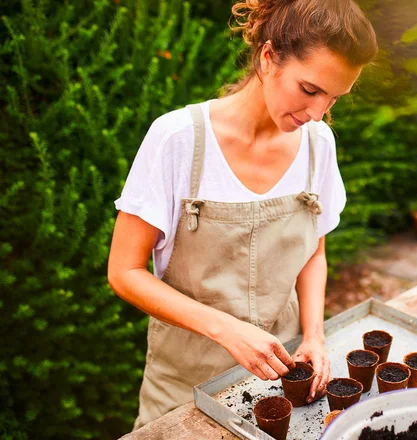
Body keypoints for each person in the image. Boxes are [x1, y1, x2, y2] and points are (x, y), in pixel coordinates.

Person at [107, 0, 378, 430]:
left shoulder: (318, 144)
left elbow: (313, 251)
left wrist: (313, 335)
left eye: (333, 98)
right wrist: (228, 330)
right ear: (268, 58)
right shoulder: (178, 140)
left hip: (282, 383)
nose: (318, 113)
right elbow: (124, 271)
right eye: (309, 90)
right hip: (183, 392)